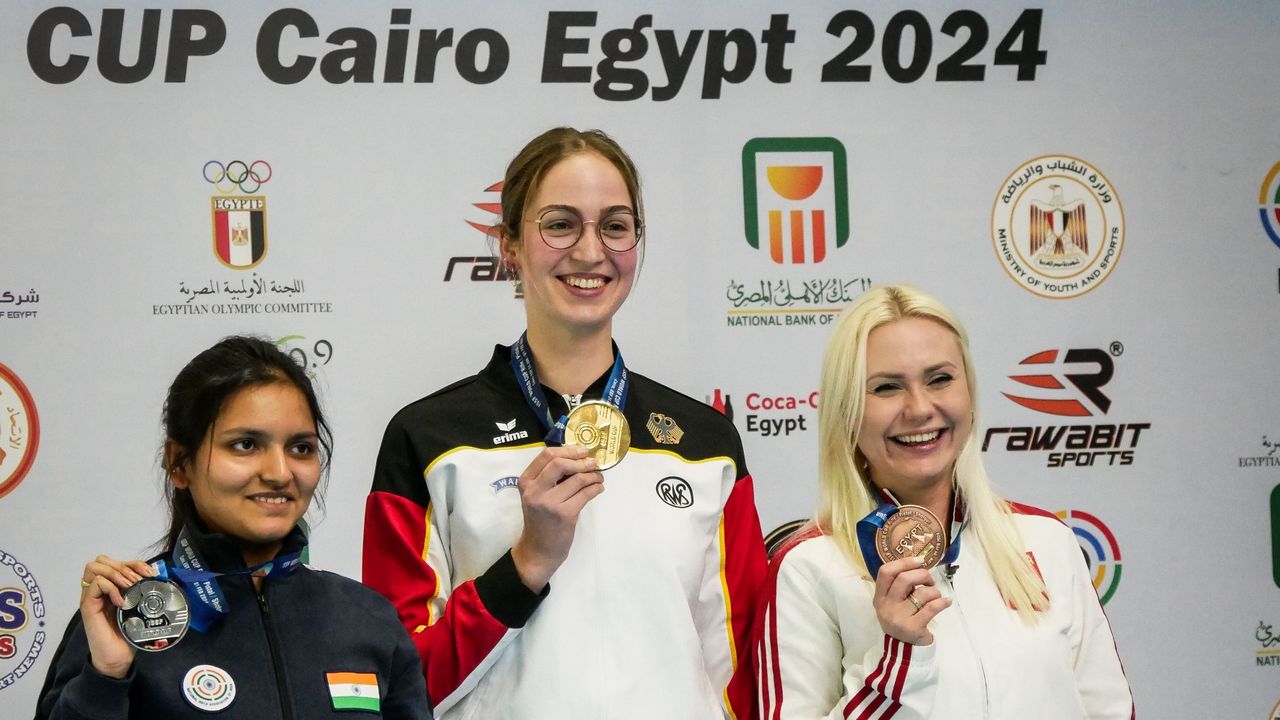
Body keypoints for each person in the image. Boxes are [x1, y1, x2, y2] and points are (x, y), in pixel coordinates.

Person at [363, 127, 766, 718]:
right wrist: (525, 563)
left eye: (615, 225)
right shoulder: (428, 438)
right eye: (559, 224)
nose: (589, 251)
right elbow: (397, 684)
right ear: (509, 247)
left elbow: (743, 675)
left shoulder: (707, 445)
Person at [750, 285, 1133, 719]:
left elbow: (1109, 710)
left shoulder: (1046, 540)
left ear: (969, 394)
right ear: (846, 410)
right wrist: (899, 661)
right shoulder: (807, 568)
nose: (919, 409)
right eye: (887, 387)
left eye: (940, 379)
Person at [35, 336, 430, 719]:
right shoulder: (130, 617)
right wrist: (104, 678)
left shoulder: (367, 618)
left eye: (300, 448)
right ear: (179, 462)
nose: (279, 473)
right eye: (245, 445)